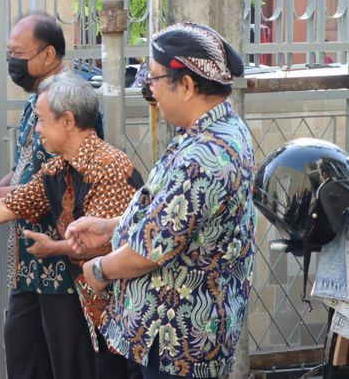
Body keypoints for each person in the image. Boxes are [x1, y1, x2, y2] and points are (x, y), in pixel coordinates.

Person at [0, 73, 141, 378]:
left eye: (42, 121)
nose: (36, 130)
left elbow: (102, 243)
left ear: (68, 121)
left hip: (120, 312)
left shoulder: (108, 166)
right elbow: (7, 206)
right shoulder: (57, 167)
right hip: (90, 301)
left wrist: (54, 248)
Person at [66, 22, 256, 379]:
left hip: (177, 341)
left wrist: (98, 269)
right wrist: (112, 228)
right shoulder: (215, 132)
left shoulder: (206, 154)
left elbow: (148, 252)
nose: (149, 91)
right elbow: (172, 220)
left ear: (185, 85)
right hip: (177, 337)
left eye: (153, 80)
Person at [0, 13, 104, 378]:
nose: (11, 62)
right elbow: (27, 166)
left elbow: (56, 183)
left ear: (48, 54)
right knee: (22, 350)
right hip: (31, 261)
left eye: (18, 53)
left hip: (63, 261)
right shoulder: (39, 98)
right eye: (8, 52)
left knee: (66, 362)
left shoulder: (67, 100)